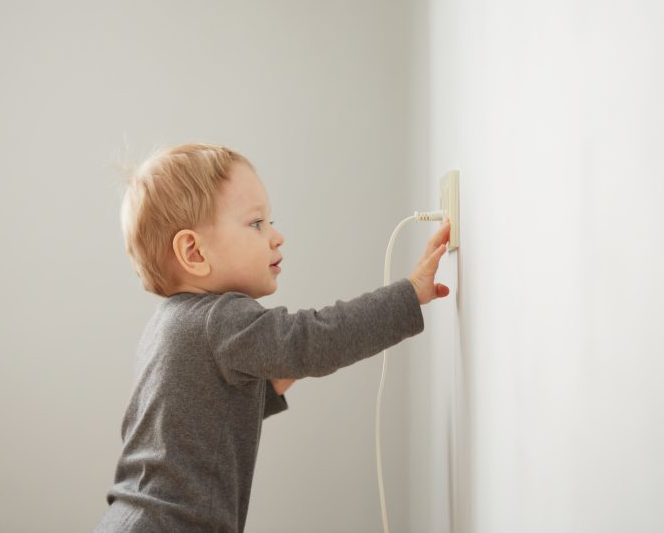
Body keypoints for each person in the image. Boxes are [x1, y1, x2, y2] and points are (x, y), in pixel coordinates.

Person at [95, 143, 450, 532]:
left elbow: (202, 419)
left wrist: (277, 376)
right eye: (256, 224)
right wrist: (410, 293)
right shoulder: (221, 318)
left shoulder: (166, 325)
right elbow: (314, 340)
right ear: (194, 252)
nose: (276, 236)